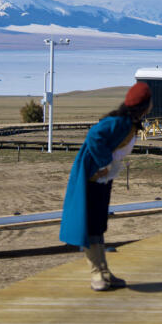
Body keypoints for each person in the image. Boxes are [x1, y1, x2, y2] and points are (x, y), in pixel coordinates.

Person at [59, 81, 152, 291]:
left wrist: (108, 167)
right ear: (145, 105)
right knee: (92, 225)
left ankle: (104, 272)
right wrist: (104, 163)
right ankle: (96, 275)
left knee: (99, 225)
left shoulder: (129, 122)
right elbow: (94, 135)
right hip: (92, 179)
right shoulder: (119, 122)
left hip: (102, 179)